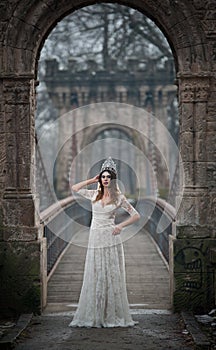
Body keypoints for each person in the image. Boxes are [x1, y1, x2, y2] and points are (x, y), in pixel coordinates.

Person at [69, 157, 140, 328]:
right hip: (95, 237)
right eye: (103, 176)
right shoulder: (94, 194)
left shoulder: (119, 197)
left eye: (108, 176)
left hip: (110, 237)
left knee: (110, 272)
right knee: (96, 271)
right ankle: (95, 312)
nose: (106, 179)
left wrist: (121, 226)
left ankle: (110, 313)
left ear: (113, 179)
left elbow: (136, 215)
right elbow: (75, 188)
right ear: (100, 178)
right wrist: (92, 180)